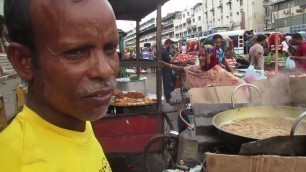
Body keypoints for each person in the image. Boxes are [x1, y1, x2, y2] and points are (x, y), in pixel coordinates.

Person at [0, 0, 119, 171]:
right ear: (24, 61)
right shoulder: (22, 164)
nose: (105, 70)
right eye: (76, 52)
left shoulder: (74, 119)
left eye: (110, 49)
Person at [162, 47, 245, 89]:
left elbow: (239, 83)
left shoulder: (218, 71)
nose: (200, 58)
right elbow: (181, 69)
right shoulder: (196, 69)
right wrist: (165, 64)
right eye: (199, 56)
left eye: (204, 56)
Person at [161, 39, 177, 104]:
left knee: (174, 76)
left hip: (167, 69)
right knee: (167, 84)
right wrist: (175, 55)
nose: (171, 46)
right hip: (166, 70)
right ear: (168, 44)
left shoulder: (164, 50)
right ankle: (168, 99)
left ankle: (170, 91)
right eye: (170, 45)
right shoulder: (164, 51)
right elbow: (171, 61)